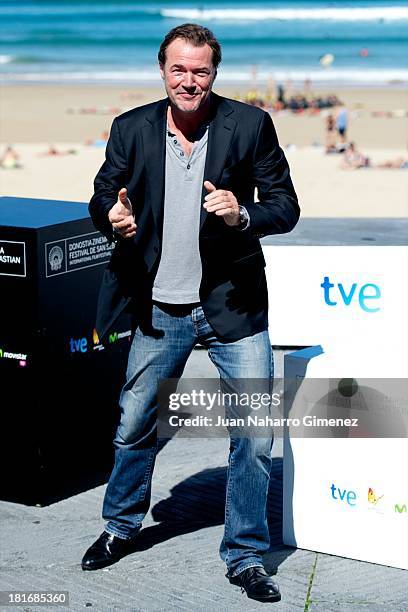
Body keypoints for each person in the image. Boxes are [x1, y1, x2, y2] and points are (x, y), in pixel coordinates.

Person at [82, 23, 299, 603]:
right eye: (179, 69)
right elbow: (103, 194)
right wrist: (113, 218)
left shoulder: (249, 124)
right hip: (159, 305)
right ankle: (121, 525)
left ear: (214, 75)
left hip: (232, 305)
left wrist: (242, 213)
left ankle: (246, 555)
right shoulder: (131, 128)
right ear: (163, 71)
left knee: (253, 437)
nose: (190, 81)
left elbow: (286, 206)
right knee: (134, 423)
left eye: (200, 71)